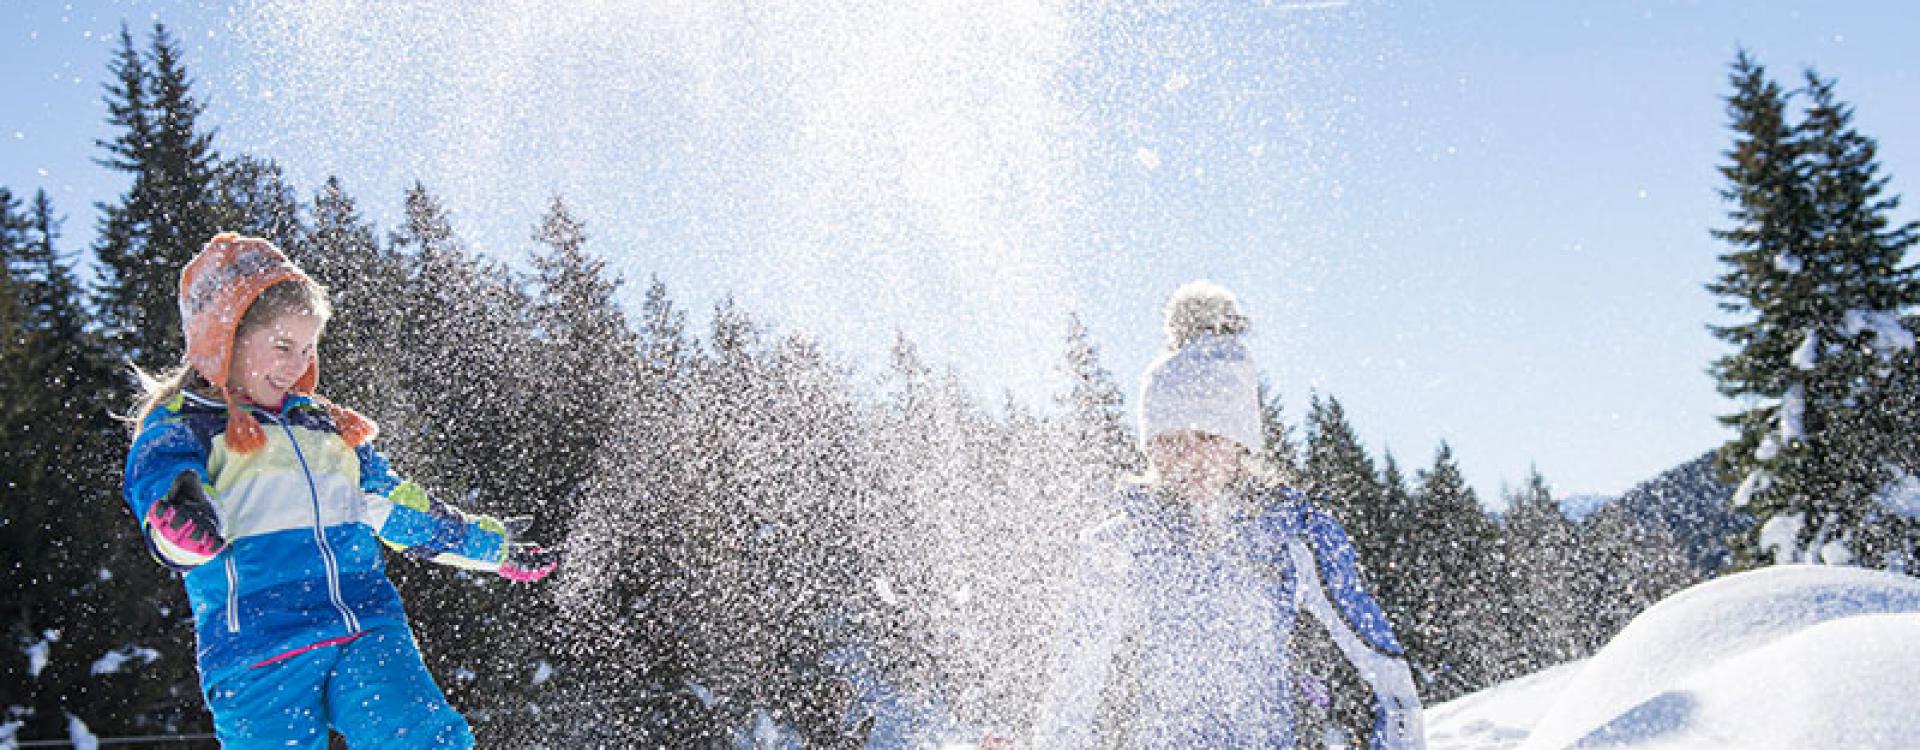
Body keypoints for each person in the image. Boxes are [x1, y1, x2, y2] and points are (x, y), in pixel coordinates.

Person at [121, 233, 560, 748]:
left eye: (307, 348)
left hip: (365, 624)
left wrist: (490, 548)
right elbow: (160, 485)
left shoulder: (326, 427)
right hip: (260, 648)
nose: (295, 364)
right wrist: (182, 516)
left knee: (421, 736)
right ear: (225, 339)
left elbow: (396, 506)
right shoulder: (188, 426)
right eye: (282, 346)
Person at [1032, 281, 1425, 749]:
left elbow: (1389, 675)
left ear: (1240, 441)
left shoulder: (1295, 535)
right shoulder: (1118, 546)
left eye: (1208, 438)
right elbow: (1072, 692)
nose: (1189, 458)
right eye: (1171, 441)